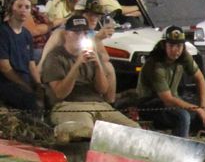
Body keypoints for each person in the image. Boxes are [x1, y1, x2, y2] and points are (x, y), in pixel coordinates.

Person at [40, 11, 135, 141]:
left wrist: (97, 65)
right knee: (84, 134)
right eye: (76, 33)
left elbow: (103, 89)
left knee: (133, 130)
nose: (80, 37)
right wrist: (77, 65)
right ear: (67, 34)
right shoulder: (55, 57)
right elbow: (60, 93)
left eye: (84, 33)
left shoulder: (91, 54)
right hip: (69, 105)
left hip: (97, 104)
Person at [134, 27, 205, 137]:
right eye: (171, 45)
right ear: (164, 45)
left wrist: (203, 107)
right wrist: (197, 109)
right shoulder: (155, 66)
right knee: (183, 117)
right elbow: (167, 100)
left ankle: (195, 144)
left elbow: (200, 79)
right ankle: (180, 148)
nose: (175, 50)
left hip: (174, 101)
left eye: (179, 46)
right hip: (150, 104)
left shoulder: (184, 56)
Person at [0, 0, 41, 115]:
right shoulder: (3, 32)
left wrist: (39, 85)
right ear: (12, 8)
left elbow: (31, 63)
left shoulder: (26, 34)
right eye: (19, 6)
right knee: (30, 101)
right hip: (7, 82)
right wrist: (25, 86)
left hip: (25, 80)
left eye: (27, 7)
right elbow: (5, 67)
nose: (23, 10)